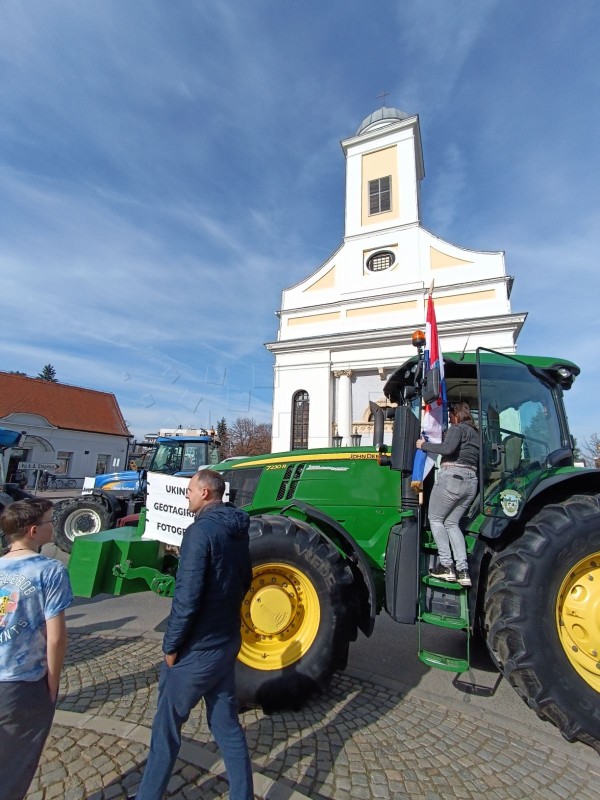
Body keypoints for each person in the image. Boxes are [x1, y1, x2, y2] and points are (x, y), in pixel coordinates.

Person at [133, 469, 253, 800]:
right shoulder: (238, 528)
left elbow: (187, 595)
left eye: (189, 491)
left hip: (196, 649)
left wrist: (171, 646)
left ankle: (148, 795)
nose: (186, 496)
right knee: (226, 727)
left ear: (204, 493)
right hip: (226, 641)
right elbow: (246, 578)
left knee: (166, 729)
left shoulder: (199, 532)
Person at [0, 499, 73, 800]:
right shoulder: (50, 571)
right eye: (49, 521)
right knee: (15, 765)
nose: (53, 525)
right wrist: (52, 683)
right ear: (32, 531)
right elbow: (56, 637)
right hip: (23, 682)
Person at [416, 401, 479, 587]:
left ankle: (446, 566)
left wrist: (424, 445)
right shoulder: (475, 434)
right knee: (451, 523)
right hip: (470, 482)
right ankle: (463, 570)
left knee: (435, 518)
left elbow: (447, 449)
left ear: (457, 415)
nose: (449, 419)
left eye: (451, 416)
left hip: (453, 477)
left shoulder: (458, 428)